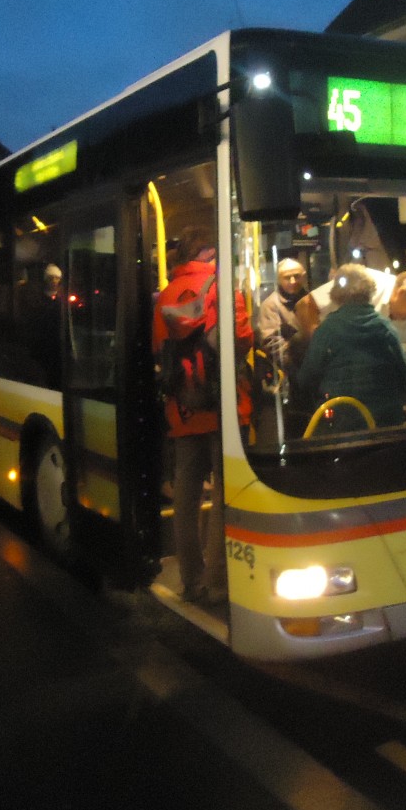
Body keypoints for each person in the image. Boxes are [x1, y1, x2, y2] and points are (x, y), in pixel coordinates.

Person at [152, 226, 252, 605]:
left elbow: (157, 347)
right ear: (211, 251)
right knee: (225, 492)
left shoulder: (167, 294)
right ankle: (217, 580)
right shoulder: (223, 286)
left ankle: (191, 579)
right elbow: (242, 338)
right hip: (224, 404)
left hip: (183, 405)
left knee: (187, 493)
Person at [297, 264, 406, 430]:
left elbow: (307, 377)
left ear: (336, 294)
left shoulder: (328, 329)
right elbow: (405, 374)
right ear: (370, 292)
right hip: (384, 421)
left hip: (341, 421)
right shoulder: (386, 328)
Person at [256, 258, 308, 366]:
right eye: (287, 277)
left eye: (297, 276)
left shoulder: (310, 299)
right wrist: (294, 361)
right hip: (290, 367)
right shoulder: (271, 305)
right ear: (279, 280)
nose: (293, 281)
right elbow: (271, 341)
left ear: (303, 276)